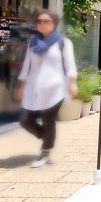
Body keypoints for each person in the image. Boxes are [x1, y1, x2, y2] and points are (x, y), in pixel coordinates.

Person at [18, 10, 77, 168]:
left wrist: (72, 83)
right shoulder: (33, 43)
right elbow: (26, 65)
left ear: (54, 23)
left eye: (46, 21)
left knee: (48, 119)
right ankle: (48, 139)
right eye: (39, 21)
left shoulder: (63, 42)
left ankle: (45, 152)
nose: (42, 24)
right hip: (34, 87)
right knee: (26, 121)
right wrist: (22, 85)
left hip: (55, 87)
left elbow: (70, 66)